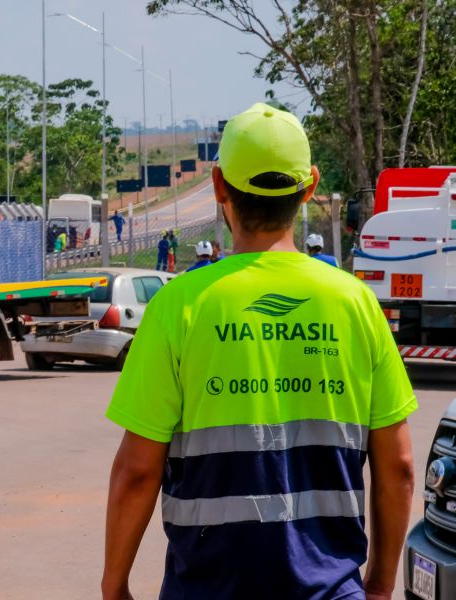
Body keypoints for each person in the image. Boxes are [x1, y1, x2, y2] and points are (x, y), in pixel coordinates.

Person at [102, 102, 416, 600]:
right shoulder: (356, 303)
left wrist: (114, 585)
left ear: (219, 185)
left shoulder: (179, 304)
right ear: (310, 186)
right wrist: (377, 584)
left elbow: (138, 470)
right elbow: (397, 466)